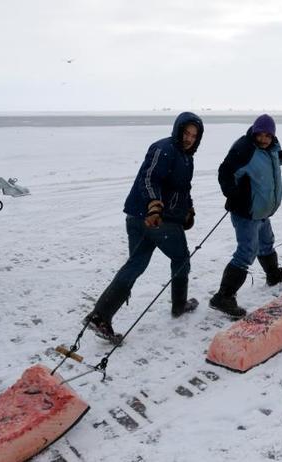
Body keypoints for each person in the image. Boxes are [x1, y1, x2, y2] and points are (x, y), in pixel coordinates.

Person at [84, 112, 204, 343]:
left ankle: (100, 316)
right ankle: (179, 304)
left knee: (136, 263)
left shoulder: (185, 156)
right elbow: (149, 179)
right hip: (155, 219)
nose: (189, 138)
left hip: (142, 216)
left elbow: (183, 189)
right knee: (181, 258)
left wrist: (188, 210)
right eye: (186, 133)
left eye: (194, 135)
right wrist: (154, 208)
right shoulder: (164, 149)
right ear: (177, 130)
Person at [210, 114, 282, 317]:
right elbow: (225, 171)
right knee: (246, 252)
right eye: (259, 135)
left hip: (261, 212)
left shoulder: (270, 149)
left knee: (267, 242)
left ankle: (273, 275)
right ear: (254, 132)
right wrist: (232, 192)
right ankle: (223, 296)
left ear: (272, 137)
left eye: (267, 136)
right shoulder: (244, 149)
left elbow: (269, 162)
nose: (263, 139)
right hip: (246, 212)